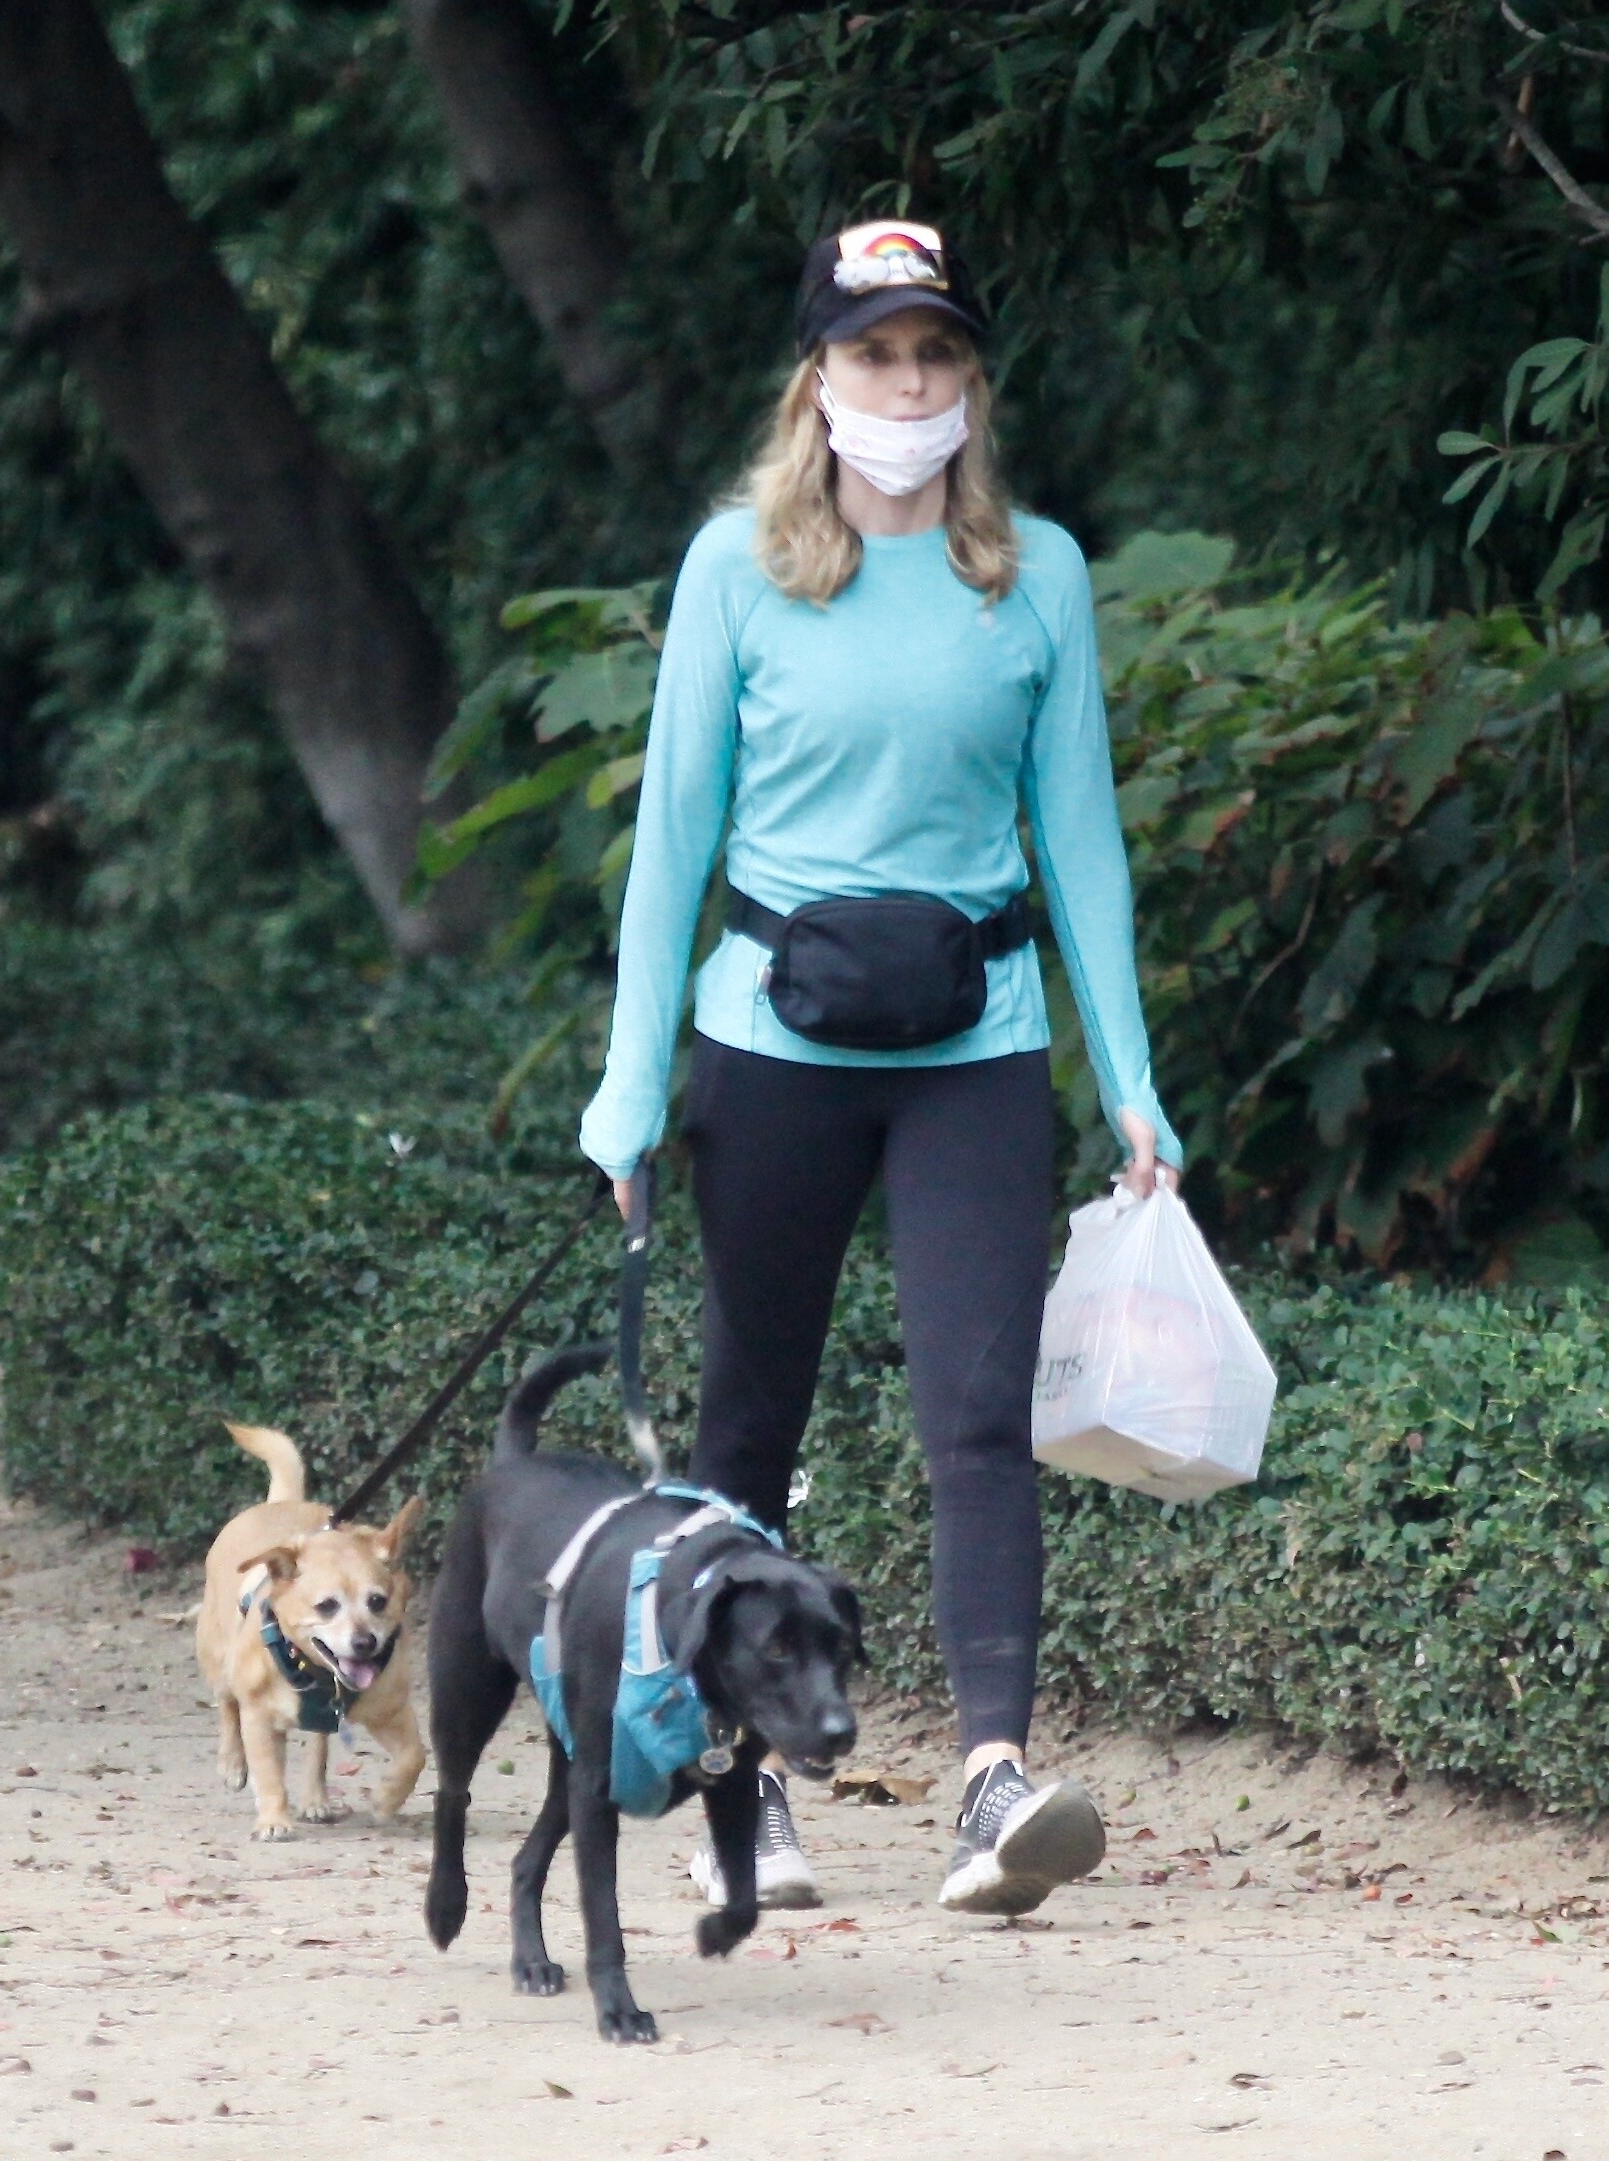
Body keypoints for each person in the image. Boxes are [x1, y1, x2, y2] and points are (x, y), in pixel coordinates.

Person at [577, 217, 1182, 1917]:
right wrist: (627, 1089)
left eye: (934, 354)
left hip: (973, 1047)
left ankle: (991, 1783)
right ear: (817, 381)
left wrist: (1132, 1081)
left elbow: (1080, 841)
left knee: (980, 1417)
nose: (905, 385)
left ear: (968, 383)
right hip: (767, 1046)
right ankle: (744, 1785)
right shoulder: (734, 571)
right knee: (745, 1421)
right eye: (872, 353)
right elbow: (670, 842)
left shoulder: (1035, 574)